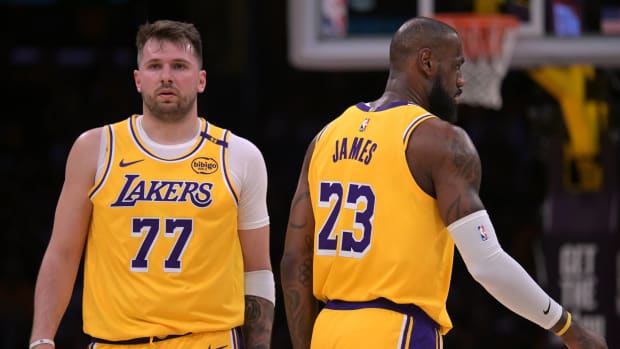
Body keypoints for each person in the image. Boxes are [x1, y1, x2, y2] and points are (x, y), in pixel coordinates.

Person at [280, 16, 608, 349]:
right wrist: (569, 327)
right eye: (456, 67)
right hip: (397, 330)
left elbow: (295, 260)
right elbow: (487, 263)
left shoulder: (325, 138)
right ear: (426, 62)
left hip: (329, 328)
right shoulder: (437, 140)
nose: (462, 81)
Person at [30, 19, 274, 349]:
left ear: (201, 80)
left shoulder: (240, 155)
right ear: (138, 79)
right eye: (154, 66)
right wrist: (42, 338)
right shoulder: (95, 148)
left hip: (208, 340)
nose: (166, 76)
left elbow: (257, 268)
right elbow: (62, 253)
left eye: (180, 66)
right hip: (115, 341)